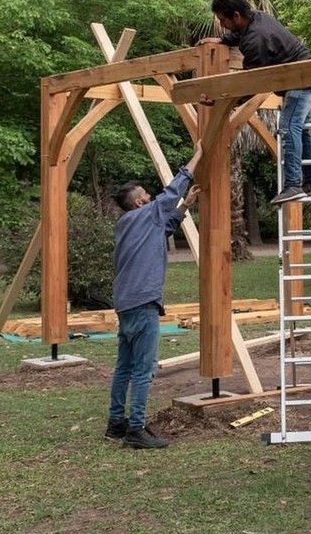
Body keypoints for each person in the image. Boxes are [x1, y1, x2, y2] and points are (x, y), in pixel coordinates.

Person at [104, 141, 203, 449]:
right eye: (147, 197)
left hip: (125, 302)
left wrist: (185, 206)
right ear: (138, 203)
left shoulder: (129, 222)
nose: (151, 199)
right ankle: (136, 430)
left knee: (124, 367)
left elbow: (165, 226)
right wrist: (198, 153)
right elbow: (172, 189)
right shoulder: (146, 213)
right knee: (144, 370)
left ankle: (115, 423)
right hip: (144, 301)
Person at [198, 0, 311, 204]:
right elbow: (239, 35)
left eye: (223, 20)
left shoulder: (256, 40)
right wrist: (221, 40)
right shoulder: (258, 18)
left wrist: (221, 101)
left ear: (236, 15)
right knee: (300, 130)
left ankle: (294, 184)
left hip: (300, 80)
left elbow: (250, 85)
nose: (222, 25)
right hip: (302, 77)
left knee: (288, 127)